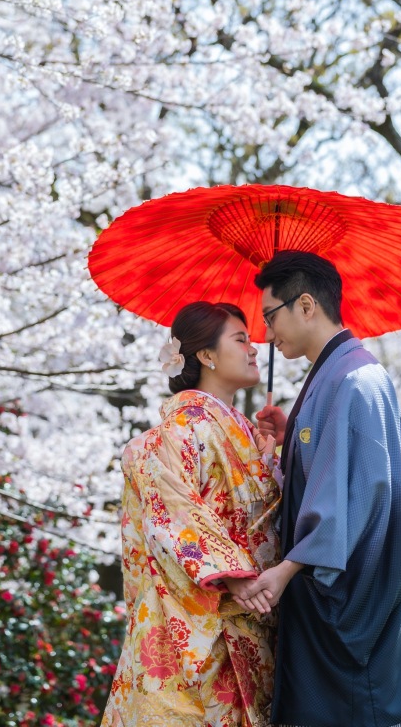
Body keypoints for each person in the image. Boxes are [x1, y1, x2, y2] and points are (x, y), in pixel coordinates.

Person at [242, 250, 401, 727]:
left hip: (356, 602)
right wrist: (292, 438)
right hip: (336, 595)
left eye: (271, 316)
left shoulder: (355, 379)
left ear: (306, 305)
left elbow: (357, 495)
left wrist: (287, 570)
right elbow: (334, 471)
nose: (267, 334)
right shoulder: (336, 374)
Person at [101, 301, 281, 727]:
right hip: (193, 623)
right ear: (206, 355)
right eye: (241, 339)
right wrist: (232, 573)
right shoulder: (181, 428)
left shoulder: (240, 434)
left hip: (247, 622)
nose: (254, 349)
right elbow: (172, 508)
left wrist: (273, 458)